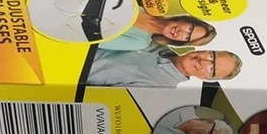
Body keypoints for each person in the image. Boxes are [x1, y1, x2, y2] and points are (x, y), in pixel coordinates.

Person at [86, 46, 242, 87]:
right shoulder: (160, 41)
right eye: (211, 56)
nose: (204, 62)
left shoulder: (155, 88)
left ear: (205, 78)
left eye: (212, 69)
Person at [102, 10, 216, 51]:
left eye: (187, 37)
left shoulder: (140, 42)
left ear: (179, 42)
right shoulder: (149, 8)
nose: (181, 32)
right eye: (189, 28)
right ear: (185, 20)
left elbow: (98, 41)